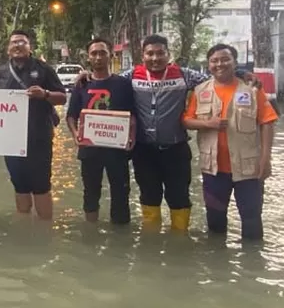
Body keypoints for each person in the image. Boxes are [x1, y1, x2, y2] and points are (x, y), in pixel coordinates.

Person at [75, 34, 256, 231]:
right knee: (148, 197)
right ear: (142, 56)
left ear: (168, 54)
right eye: (150, 53)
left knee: (179, 199)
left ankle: (179, 246)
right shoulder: (131, 76)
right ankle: (151, 245)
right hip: (144, 151)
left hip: (175, 149)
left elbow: (216, 78)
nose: (155, 58)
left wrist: (241, 73)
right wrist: (85, 75)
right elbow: (105, 79)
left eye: (160, 53)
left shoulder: (184, 75)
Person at [183, 43, 278, 240]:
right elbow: (186, 120)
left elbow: (267, 122)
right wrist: (208, 122)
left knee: (252, 221)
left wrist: (266, 159)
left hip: (249, 169)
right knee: (215, 224)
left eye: (225, 59)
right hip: (214, 170)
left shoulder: (252, 89)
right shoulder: (200, 91)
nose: (220, 64)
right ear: (208, 65)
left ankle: (252, 267)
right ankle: (217, 266)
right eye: (214, 61)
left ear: (235, 62)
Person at [0, 29, 66, 220]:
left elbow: (63, 98)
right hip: (11, 141)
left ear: (29, 47)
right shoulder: (1, 72)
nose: (18, 45)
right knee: (19, 185)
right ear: (8, 48)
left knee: (41, 187)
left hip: (38, 138)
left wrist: (45, 94)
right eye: (14, 42)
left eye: (22, 42)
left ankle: (44, 232)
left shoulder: (43, 69)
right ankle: (24, 229)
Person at [66, 38, 136, 224]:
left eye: (102, 52)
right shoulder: (82, 85)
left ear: (110, 55)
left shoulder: (123, 84)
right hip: (89, 150)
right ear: (88, 58)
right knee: (90, 194)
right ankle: (91, 233)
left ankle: (120, 237)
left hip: (117, 149)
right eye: (94, 53)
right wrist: (76, 136)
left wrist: (132, 136)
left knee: (121, 193)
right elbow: (71, 116)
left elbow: (133, 115)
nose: (98, 57)